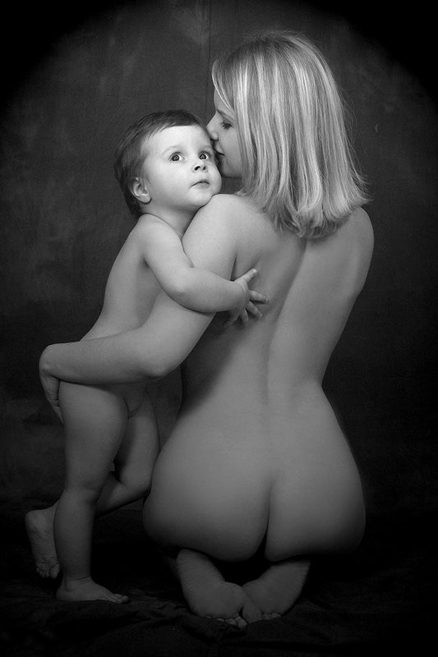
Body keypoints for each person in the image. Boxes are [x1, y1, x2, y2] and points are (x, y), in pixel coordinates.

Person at [38, 31, 374, 625]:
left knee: (177, 535)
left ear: (271, 130)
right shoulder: (359, 229)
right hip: (326, 490)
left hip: (212, 486)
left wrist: (54, 359)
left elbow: (154, 356)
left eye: (227, 121)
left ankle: (193, 561)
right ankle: (293, 561)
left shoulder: (224, 215)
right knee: (299, 534)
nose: (210, 133)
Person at [25, 109, 266, 604]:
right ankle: (76, 582)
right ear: (141, 189)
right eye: (177, 157)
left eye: (204, 155)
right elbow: (184, 285)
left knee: (140, 479)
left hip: (131, 382)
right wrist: (235, 294)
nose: (199, 163)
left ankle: (50, 520)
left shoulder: (192, 232)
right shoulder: (154, 231)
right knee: (84, 487)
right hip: (95, 378)